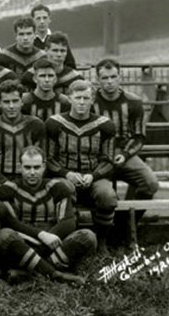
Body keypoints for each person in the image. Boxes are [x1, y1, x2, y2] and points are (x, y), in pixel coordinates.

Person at [0, 146, 91, 285]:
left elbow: (68, 221)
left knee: (87, 236)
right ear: (20, 167)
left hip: (51, 240)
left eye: (36, 167)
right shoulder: (8, 189)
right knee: (5, 235)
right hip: (23, 240)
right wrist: (41, 236)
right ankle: (55, 274)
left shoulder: (57, 187)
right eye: (27, 167)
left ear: (44, 166)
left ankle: (28, 273)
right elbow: (11, 222)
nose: (32, 172)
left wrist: (49, 237)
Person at [45, 80, 117, 251]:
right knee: (65, 190)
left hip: (93, 175)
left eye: (86, 98)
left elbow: (109, 160)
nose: (82, 102)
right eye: (78, 98)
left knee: (107, 195)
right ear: (70, 98)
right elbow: (48, 159)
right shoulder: (54, 123)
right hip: (65, 176)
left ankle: (101, 241)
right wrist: (66, 173)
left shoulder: (105, 125)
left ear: (92, 99)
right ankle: (68, 241)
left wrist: (94, 176)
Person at [93, 59, 159, 224]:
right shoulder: (89, 102)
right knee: (101, 192)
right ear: (97, 80)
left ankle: (125, 225)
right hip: (96, 155)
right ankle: (101, 228)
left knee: (151, 183)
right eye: (105, 78)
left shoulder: (133, 102)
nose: (109, 82)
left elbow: (139, 136)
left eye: (113, 77)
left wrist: (124, 154)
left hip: (124, 154)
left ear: (120, 77)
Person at [0, 79, 45, 183]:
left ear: (22, 102)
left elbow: (42, 159)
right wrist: (4, 182)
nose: (11, 106)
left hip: (29, 181)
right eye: (6, 102)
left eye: (15, 101)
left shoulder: (36, 124)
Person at [21, 59, 70, 123]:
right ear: (35, 79)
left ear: (55, 79)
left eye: (50, 76)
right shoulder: (24, 100)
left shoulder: (64, 101)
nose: (47, 80)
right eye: (42, 76)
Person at [31, 4, 77, 70]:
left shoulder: (59, 40)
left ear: (49, 19)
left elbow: (71, 66)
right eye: (38, 18)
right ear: (33, 21)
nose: (42, 21)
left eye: (45, 18)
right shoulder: (28, 42)